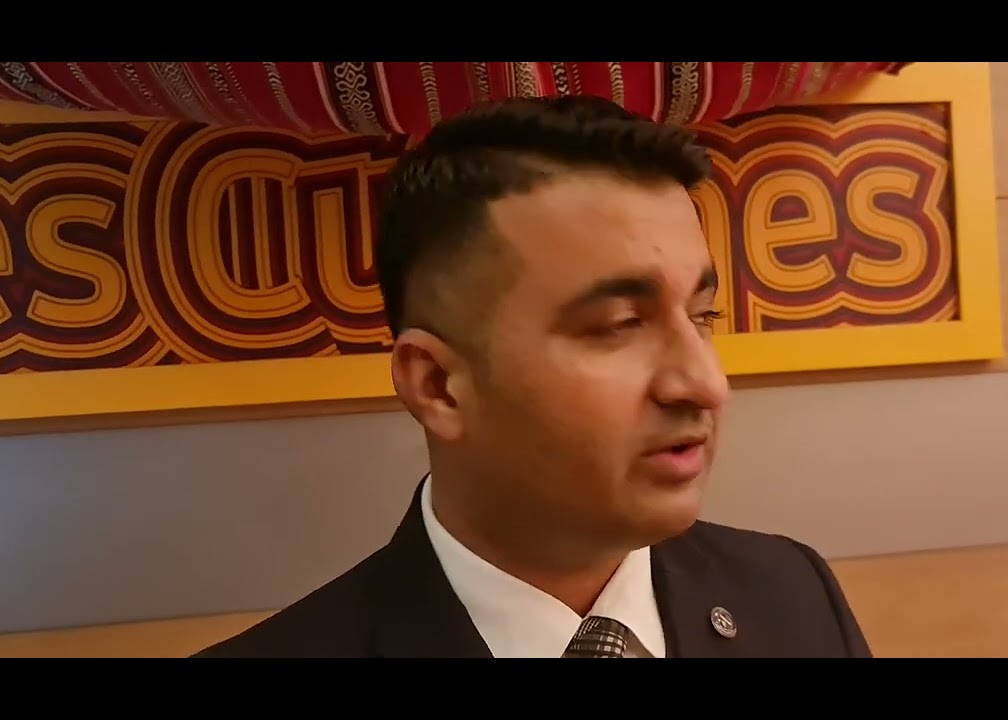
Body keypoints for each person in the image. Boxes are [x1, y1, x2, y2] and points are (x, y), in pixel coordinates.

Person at [194, 95, 872, 658]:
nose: (704, 384)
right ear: (437, 386)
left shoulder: (791, 594)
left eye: (703, 315)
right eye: (618, 324)